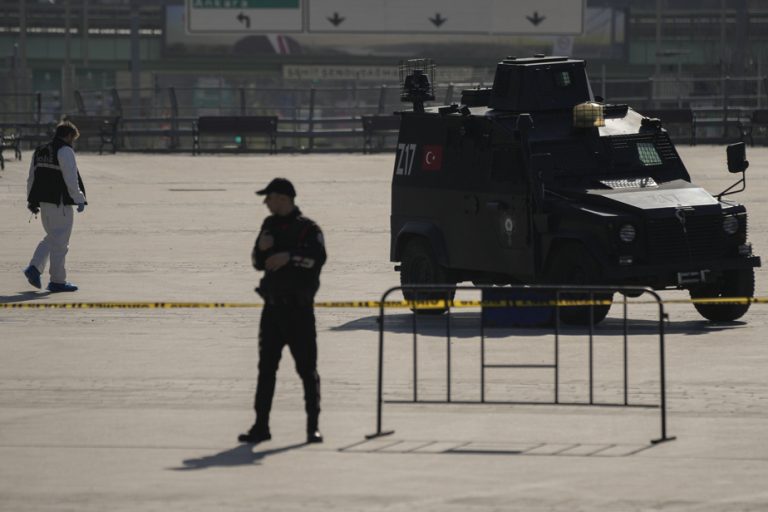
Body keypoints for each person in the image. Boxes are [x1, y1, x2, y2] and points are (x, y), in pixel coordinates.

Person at [239, 178, 327, 445]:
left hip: (299, 312)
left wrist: (289, 256)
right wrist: (261, 250)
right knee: (266, 369)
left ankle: (313, 428)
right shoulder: (268, 226)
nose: (265, 202)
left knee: (307, 370)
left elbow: (318, 258)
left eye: (269, 197)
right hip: (272, 311)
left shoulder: (308, 228)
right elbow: (256, 262)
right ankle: (260, 426)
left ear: (284, 198)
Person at [23, 121, 87, 293]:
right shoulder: (65, 151)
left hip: (44, 203)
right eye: (73, 139)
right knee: (60, 242)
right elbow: (71, 178)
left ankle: (35, 268)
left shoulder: (40, 151)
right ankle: (57, 281)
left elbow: (31, 178)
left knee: (53, 237)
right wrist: (79, 198)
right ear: (68, 135)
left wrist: (31, 200)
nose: (72, 142)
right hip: (60, 204)